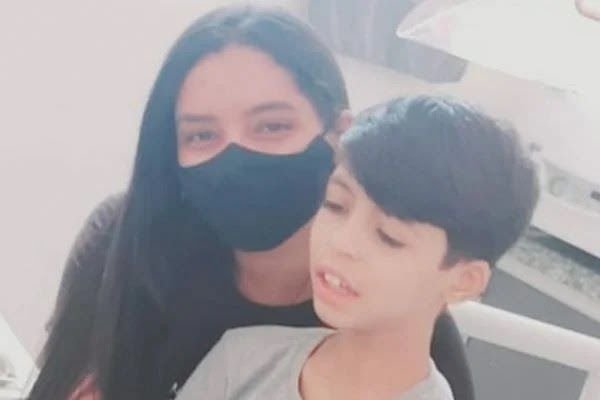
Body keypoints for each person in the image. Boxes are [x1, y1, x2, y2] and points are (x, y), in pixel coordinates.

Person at [28, 6, 475, 400]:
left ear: (340, 134)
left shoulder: (402, 318)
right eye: (202, 135)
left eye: (271, 126)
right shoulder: (120, 242)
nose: (235, 156)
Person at [176, 96, 539, 400]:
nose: (341, 243)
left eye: (389, 236)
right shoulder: (242, 360)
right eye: (335, 204)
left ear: (463, 281)